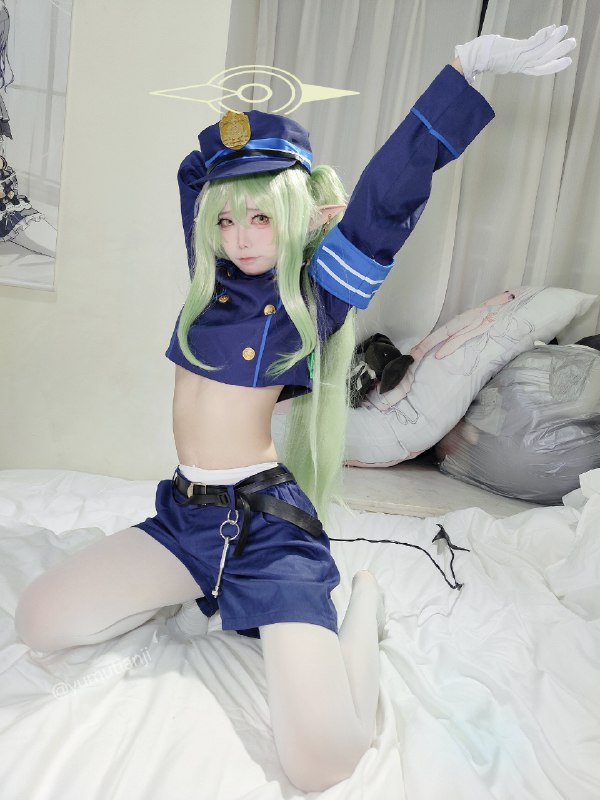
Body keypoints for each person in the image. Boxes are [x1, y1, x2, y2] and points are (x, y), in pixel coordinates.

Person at [14, 26, 575, 792]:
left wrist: (462, 71)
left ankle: (364, 606)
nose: (241, 238)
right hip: (185, 519)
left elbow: (385, 198)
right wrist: (259, 174)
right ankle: (199, 593)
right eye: (228, 219)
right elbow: (195, 174)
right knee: (42, 621)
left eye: (262, 217)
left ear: (294, 216)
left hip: (265, 530)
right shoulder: (209, 284)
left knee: (321, 761)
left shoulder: (311, 299)